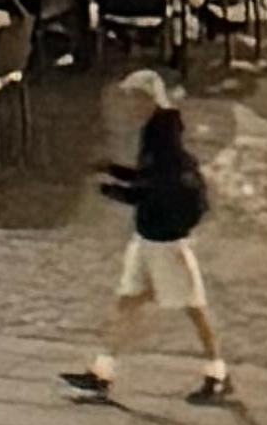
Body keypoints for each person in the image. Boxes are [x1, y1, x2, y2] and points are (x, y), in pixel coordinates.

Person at [66, 90, 234, 405]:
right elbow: (145, 182)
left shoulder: (167, 165)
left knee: (192, 309)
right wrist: (113, 173)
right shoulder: (173, 159)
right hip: (148, 243)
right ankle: (101, 372)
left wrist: (109, 187)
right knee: (127, 305)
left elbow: (145, 192)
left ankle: (218, 373)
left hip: (166, 247)